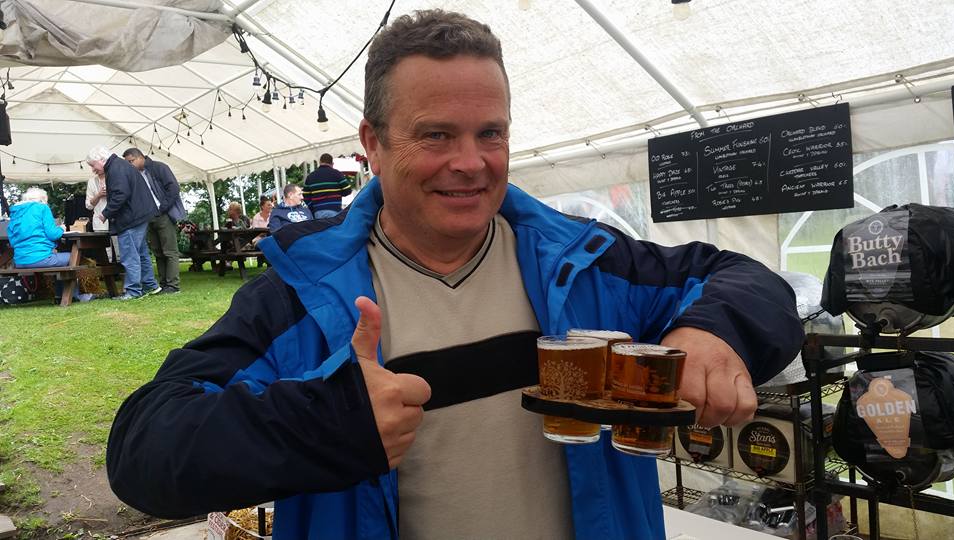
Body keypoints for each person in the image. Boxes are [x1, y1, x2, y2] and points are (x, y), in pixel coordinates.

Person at [105, 10, 803, 540]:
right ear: (372, 145)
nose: (470, 162)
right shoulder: (302, 297)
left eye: (490, 133)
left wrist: (712, 333)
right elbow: (145, 449)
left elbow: (745, 280)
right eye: (437, 135)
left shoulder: (583, 263)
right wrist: (326, 423)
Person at [87, 146, 161, 300]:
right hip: (140, 214)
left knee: (129, 254)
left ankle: (133, 291)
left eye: (93, 165)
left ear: (101, 160)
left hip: (131, 218)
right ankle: (150, 285)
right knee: (140, 253)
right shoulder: (120, 165)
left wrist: (105, 213)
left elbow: (121, 194)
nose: (93, 169)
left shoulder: (115, 169)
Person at [8, 187, 94, 302]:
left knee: (58, 259)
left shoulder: (16, 213)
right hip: (40, 258)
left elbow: (12, 241)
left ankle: (59, 295)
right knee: (72, 257)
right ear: (43, 199)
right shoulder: (42, 208)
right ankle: (75, 296)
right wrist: (61, 229)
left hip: (20, 261)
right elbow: (53, 234)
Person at [123, 148, 185, 294]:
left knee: (170, 251)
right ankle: (164, 284)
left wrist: (163, 207)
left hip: (163, 214)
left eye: (131, 161)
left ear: (140, 157)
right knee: (157, 252)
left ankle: (173, 285)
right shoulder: (135, 175)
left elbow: (174, 188)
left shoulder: (159, 167)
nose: (130, 165)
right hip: (147, 217)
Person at [303, 153, 352, 219]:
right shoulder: (337, 174)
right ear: (332, 163)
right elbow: (348, 190)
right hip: (335, 210)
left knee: (322, 229)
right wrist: (336, 193)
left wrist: (313, 208)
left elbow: (305, 196)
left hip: (318, 212)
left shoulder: (310, 176)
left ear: (320, 162)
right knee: (334, 229)